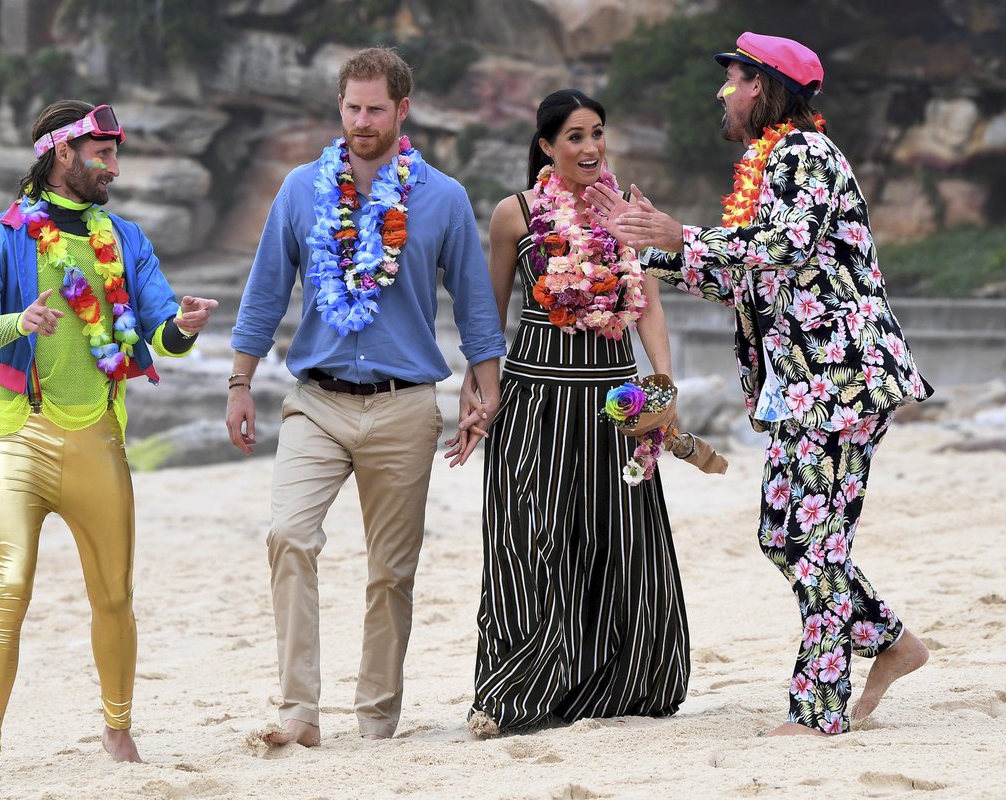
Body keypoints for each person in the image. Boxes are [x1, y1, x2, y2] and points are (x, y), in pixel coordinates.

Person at [587, 32, 933, 736]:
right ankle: (893, 643)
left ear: (764, 87)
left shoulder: (805, 154)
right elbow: (743, 273)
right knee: (784, 537)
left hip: (843, 376)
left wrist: (681, 234)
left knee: (817, 544)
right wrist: (647, 245)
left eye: (733, 79)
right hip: (803, 385)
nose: (723, 92)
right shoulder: (768, 162)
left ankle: (817, 713)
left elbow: (791, 244)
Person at [225, 46, 506, 746]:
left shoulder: (441, 197)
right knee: (288, 535)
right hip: (315, 399)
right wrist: (238, 381)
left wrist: (487, 393)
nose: (361, 121)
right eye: (351, 107)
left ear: (402, 110)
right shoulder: (299, 190)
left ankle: (377, 719)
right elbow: (264, 293)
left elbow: (474, 305)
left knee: (391, 570)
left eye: (375, 108)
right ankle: (298, 710)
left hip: (406, 403)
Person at [0, 100, 218, 777]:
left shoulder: (123, 238)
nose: (114, 167)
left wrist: (184, 325)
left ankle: (119, 734)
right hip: (17, 437)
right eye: (103, 153)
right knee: (6, 590)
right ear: (62, 152)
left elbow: (158, 334)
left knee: (116, 595)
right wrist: (18, 321)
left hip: (99, 439)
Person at [458, 89, 689, 735]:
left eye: (597, 134)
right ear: (546, 146)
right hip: (533, 400)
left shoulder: (626, 213)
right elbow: (487, 316)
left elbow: (646, 305)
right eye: (575, 137)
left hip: (616, 400)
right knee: (529, 542)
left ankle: (614, 686)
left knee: (616, 541)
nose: (590, 147)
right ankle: (516, 693)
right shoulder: (516, 214)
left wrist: (663, 387)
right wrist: (476, 391)